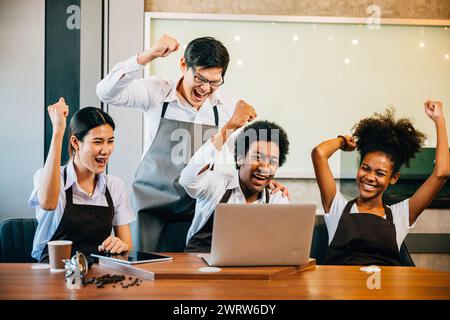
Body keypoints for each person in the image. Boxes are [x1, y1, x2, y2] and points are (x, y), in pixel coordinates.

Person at [96, 35, 289, 252]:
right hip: (149, 208)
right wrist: (148, 55)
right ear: (183, 65)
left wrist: (266, 180)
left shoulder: (227, 106)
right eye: (200, 78)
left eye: (214, 81)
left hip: (195, 207)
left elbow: (248, 154)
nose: (206, 88)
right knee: (147, 276)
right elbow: (105, 93)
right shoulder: (156, 92)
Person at [311, 100, 449, 266]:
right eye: (365, 168)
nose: (369, 177)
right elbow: (319, 154)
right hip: (340, 292)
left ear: (393, 178)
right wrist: (342, 142)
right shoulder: (337, 208)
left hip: (386, 292)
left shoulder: (401, 215)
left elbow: (441, 174)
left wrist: (439, 120)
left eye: (380, 173)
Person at [29, 98, 135, 262]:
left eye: (110, 141)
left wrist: (120, 244)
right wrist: (58, 131)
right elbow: (48, 203)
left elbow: (127, 243)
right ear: (75, 143)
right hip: (54, 273)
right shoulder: (48, 177)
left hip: (99, 275)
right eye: (98, 142)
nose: (106, 150)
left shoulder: (115, 186)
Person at [179, 102, 290, 252]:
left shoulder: (278, 199)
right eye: (257, 157)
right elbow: (187, 179)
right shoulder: (216, 185)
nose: (264, 167)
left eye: (272, 162)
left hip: (252, 271)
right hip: (198, 268)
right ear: (240, 158)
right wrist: (229, 127)